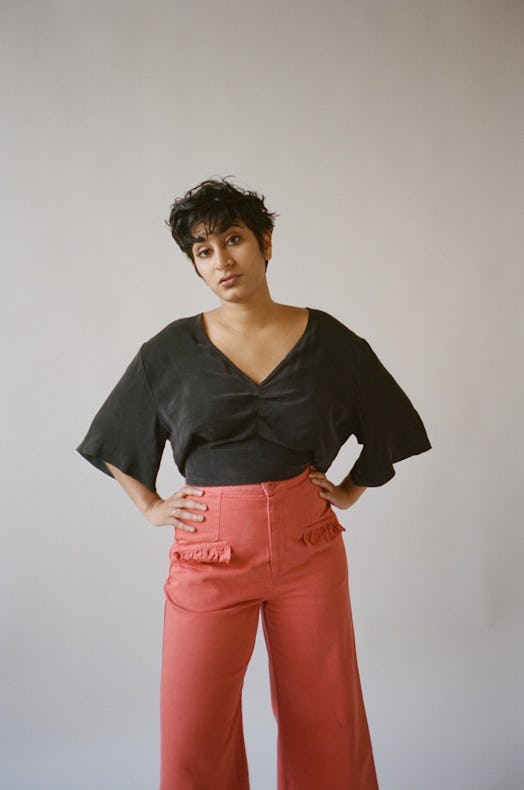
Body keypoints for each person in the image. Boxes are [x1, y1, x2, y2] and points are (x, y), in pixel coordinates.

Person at [76, 177, 431, 790]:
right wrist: (151, 505)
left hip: (310, 549)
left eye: (233, 239)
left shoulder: (329, 341)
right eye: (203, 250)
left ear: (266, 243)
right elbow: (115, 435)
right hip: (208, 554)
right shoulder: (170, 351)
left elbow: (390, 421)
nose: (222, 260)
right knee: (193, 728)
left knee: (327, 718)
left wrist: (349, 489)